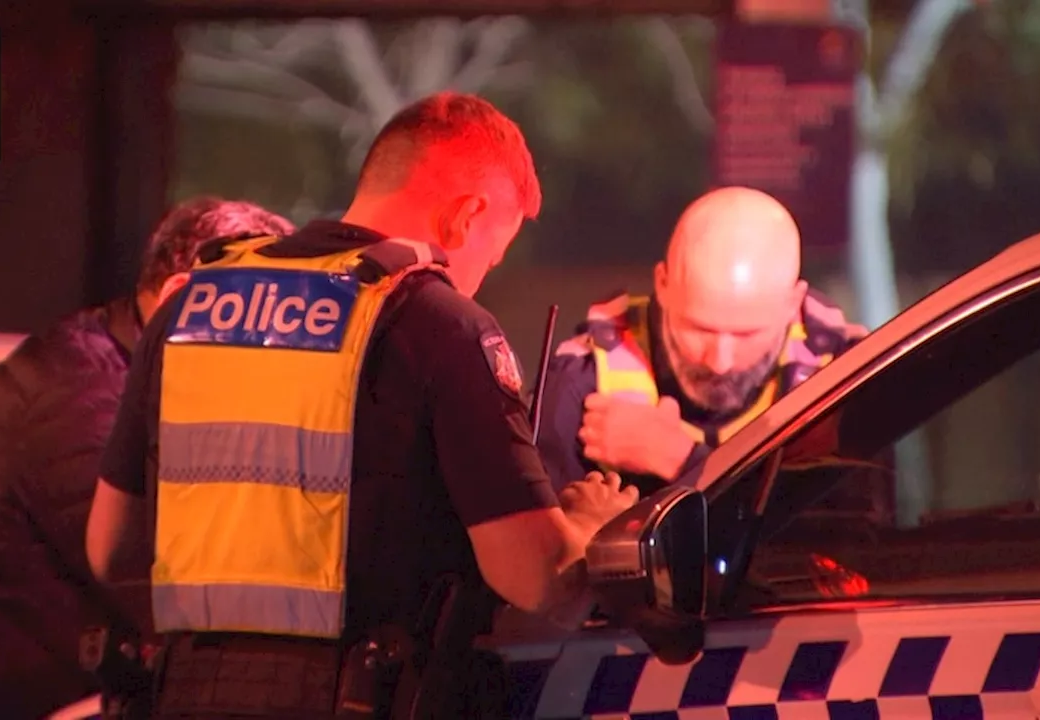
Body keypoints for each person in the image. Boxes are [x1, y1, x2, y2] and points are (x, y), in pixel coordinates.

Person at [86, 91, 639, 719]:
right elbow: (537, 580)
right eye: (492, 252)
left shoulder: (188, 307)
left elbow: (110, 549)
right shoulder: (440, 323)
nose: (480, 275)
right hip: (358, 695)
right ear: (466, 215)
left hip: (187, 691)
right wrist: (596, 530)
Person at [0, 197, 295, 719]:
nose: (272, 343)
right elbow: (164, 585)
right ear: (180, 296)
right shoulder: (85, 394)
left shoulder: (129, 373)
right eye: (256, 314)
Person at [537, 186, 868, 499]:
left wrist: (680, 461)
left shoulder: (850, 373)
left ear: (793, 303)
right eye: (699, 329)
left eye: (745, 335)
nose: (718, 361)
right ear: (662, 285)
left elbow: (851, 544)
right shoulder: (582, 381)